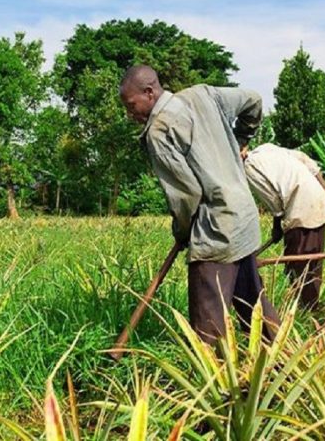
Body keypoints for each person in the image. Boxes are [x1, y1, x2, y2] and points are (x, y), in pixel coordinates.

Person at [119, 65, 280, 345]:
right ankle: (285, 363)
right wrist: (241, 139)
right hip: (244, 218)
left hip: (216, 229)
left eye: (131, 106)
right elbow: (253, 100)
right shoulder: (204, 95)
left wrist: (182, 233)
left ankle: (213, 380)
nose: (130, 114)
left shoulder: (159, 131)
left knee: (209, 321)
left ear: (149, 92)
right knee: (251, 299)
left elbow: (186, 195)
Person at [242, 143, 325, 310]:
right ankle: (307, 307)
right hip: (317, 198)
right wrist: (324, 187)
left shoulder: (249, 166)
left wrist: (277, 226)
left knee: (300, 264)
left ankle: (306, 310)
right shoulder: (267, 148)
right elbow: (305, 160)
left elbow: (273, 200)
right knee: (312, 260)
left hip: (301, 207)